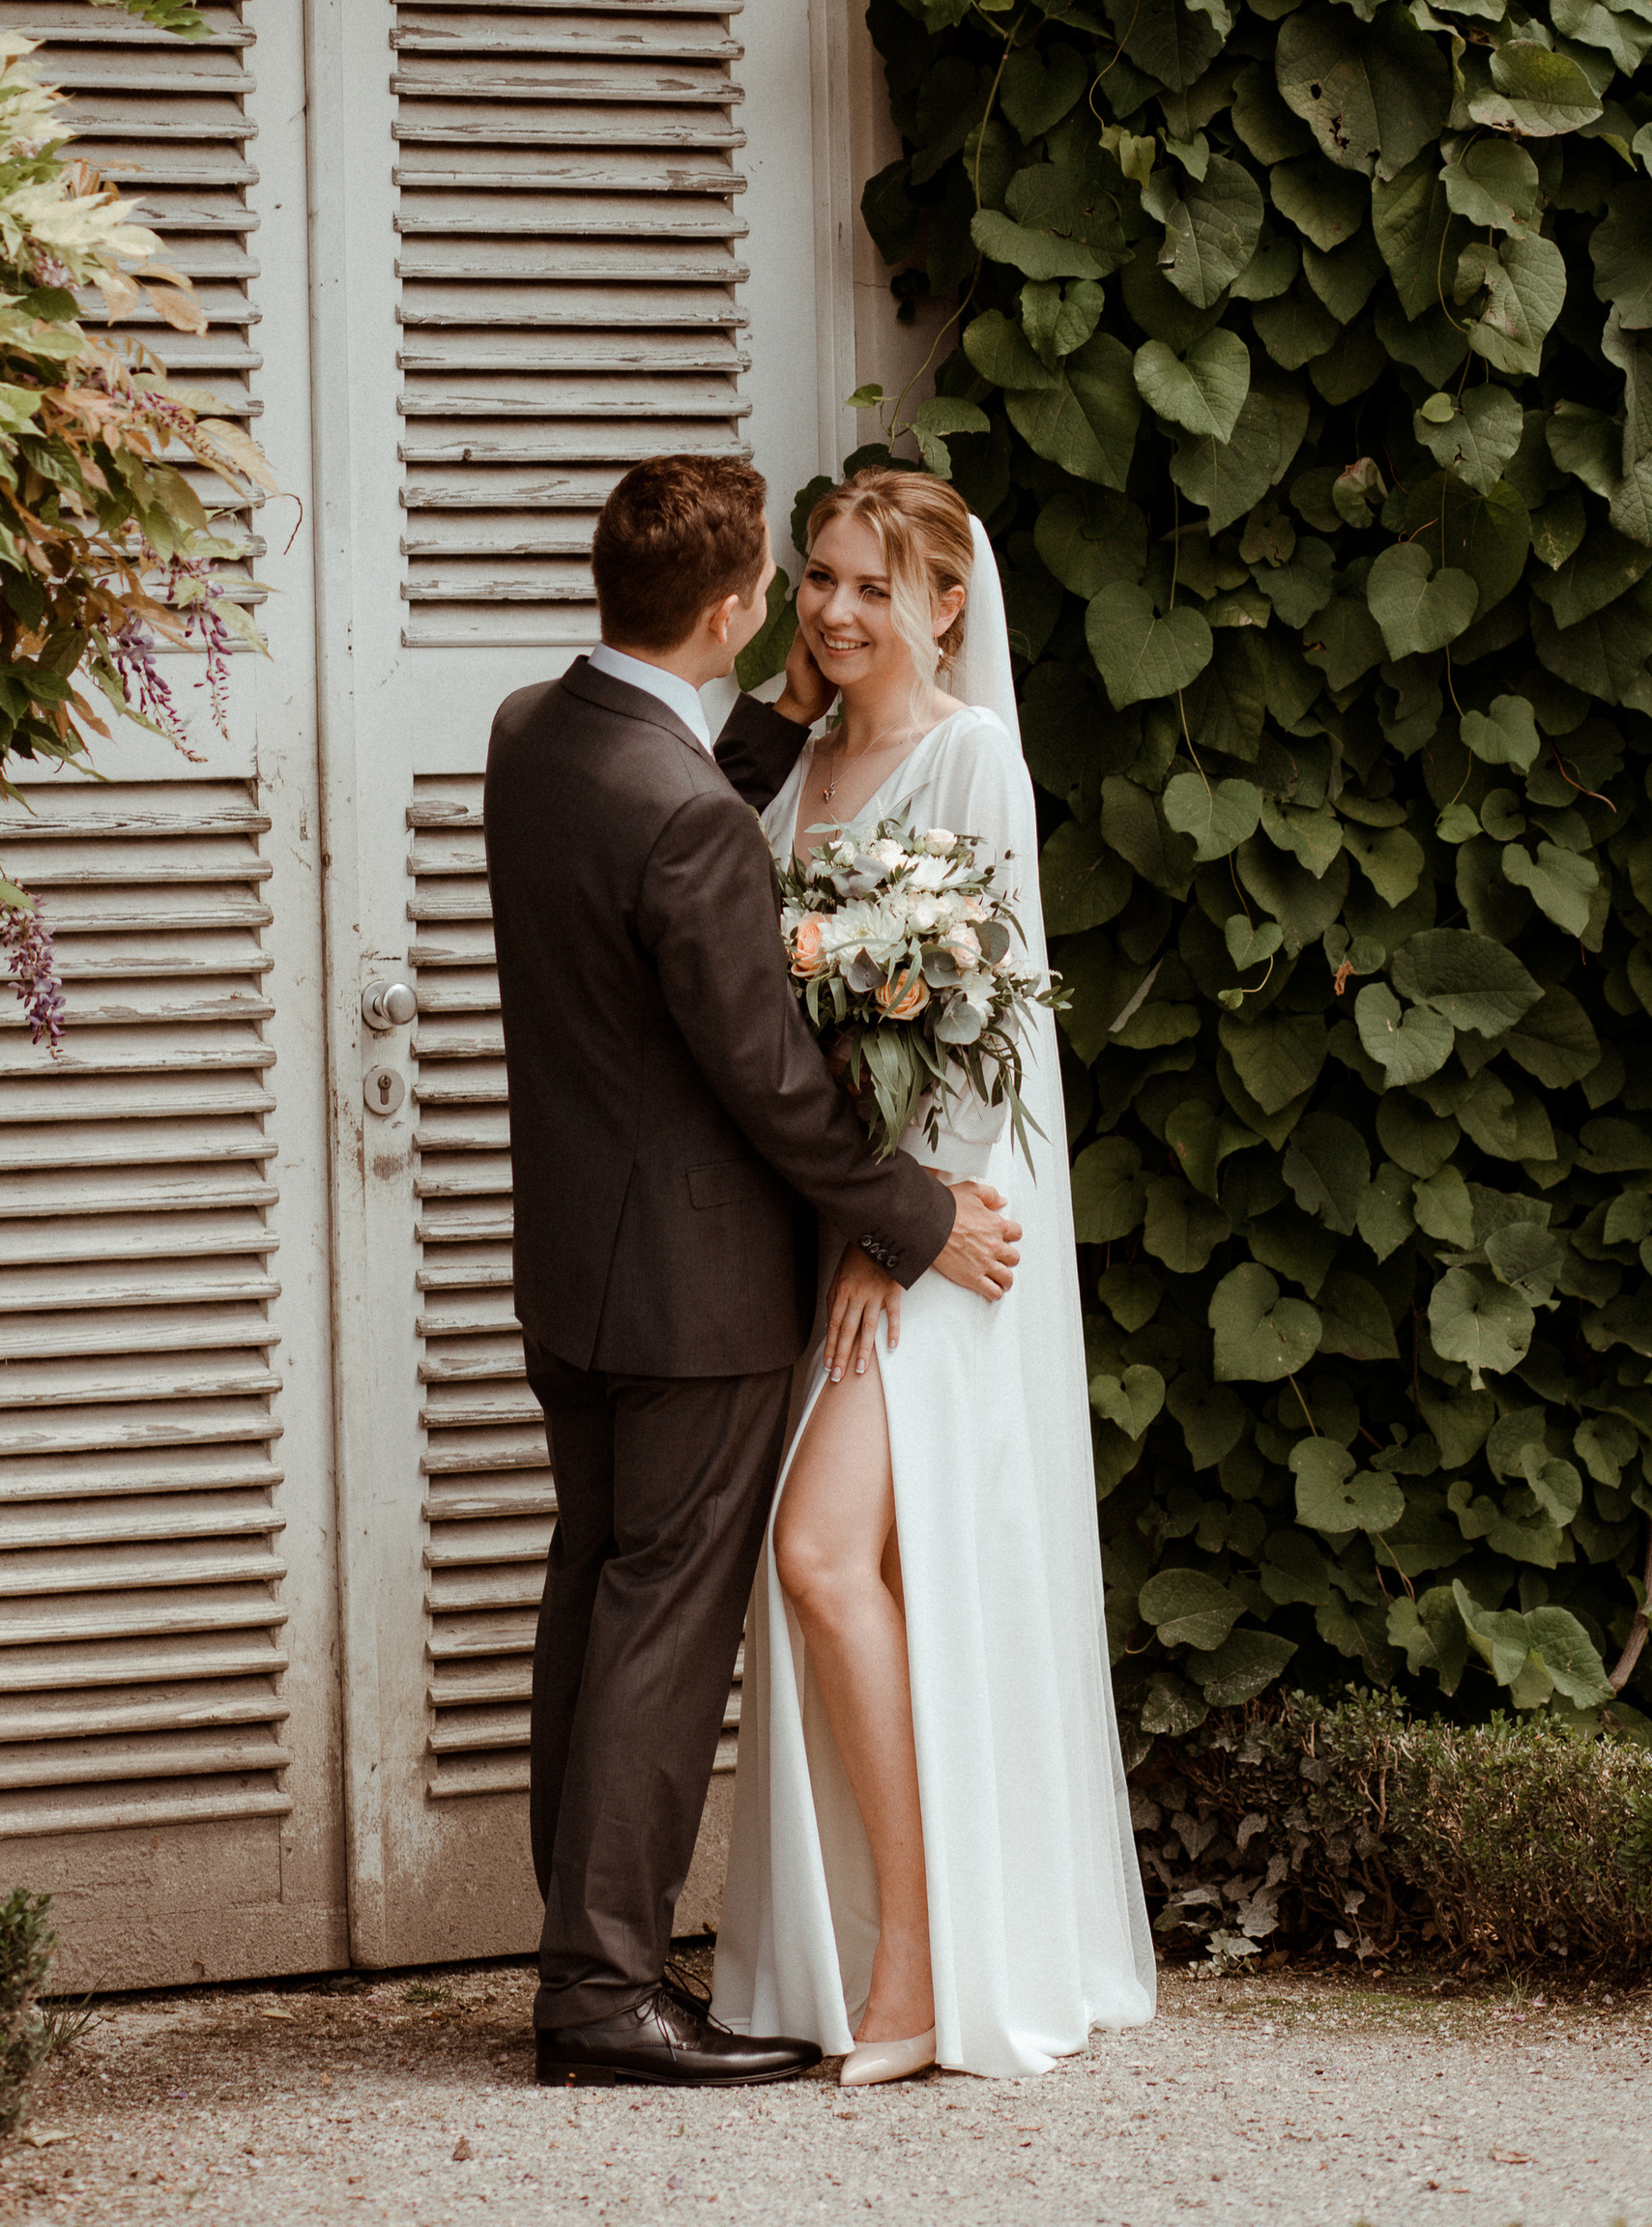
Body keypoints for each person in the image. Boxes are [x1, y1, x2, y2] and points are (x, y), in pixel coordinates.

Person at [483, 452, 1026, 2091]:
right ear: (734, 609)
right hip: (696, 1287)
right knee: (660, 1619)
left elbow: (685, 788)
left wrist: (770, 724)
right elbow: (773, 1080)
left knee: (590, 1593)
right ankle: (603, 1993)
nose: (824, 613)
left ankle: (578, 1934)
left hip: (572, 1271)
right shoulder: (695, 819)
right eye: (796, 589)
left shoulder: (537, 736)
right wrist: (915, 1220)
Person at [710, 465, 1155, 2084]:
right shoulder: (802, 762)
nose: (835, 609)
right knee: (838, 1575)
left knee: (822, 1557)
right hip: (840, 1214)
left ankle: (914, 1966)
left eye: (873, 586)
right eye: (819, 576)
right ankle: (873, 1950)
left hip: (953, 1218)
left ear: (946, 605)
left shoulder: (973, 759)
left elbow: (985, 1029)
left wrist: (901, 1239)